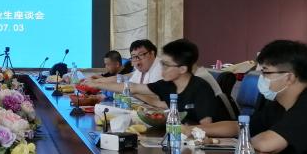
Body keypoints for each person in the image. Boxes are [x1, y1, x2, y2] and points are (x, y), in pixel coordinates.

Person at [88, 39, 226, 125]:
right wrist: (97, 84)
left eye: (166, 65)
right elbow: (134, 88)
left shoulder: (200, 87)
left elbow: (206, 128)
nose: (161, 68)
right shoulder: (168, 85)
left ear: (182, 69)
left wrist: (186, 130)